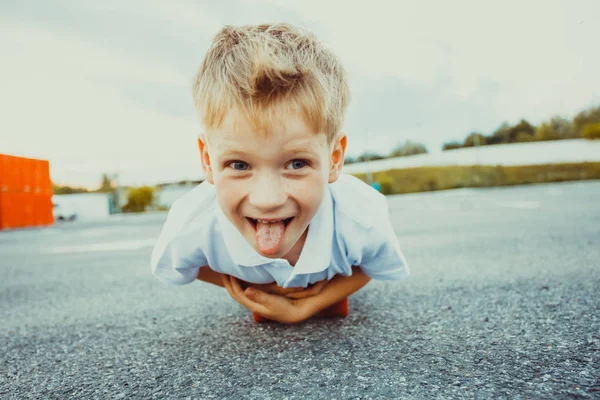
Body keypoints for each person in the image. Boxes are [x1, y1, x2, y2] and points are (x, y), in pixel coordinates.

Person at [151, 23, 409, 324]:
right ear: (208, 160)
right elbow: (177, 267)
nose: (267, 199)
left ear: (334, 158)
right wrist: (248, 286)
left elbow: (375, 266)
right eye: (239, 165)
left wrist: (308, 305)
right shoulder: (193, 225)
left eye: (297, 164)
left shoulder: (359, 217)